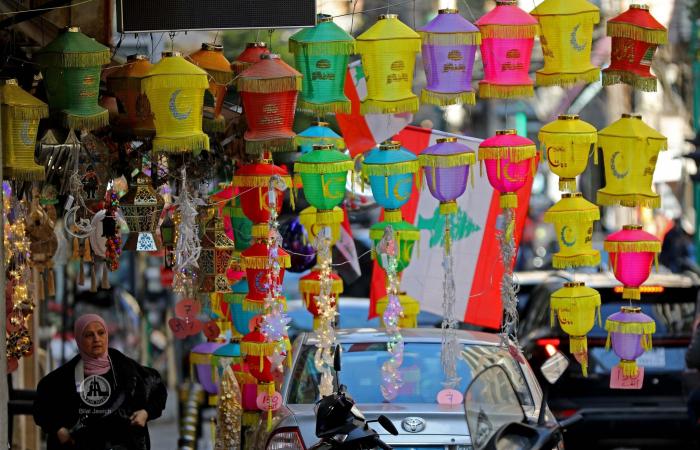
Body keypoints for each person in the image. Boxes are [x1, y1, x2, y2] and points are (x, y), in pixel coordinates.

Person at [33, 314, 167, 449]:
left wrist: (145, 413)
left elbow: (157, 388)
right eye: (89, 335)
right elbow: (42, 406)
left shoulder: (126, 369)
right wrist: (58, 429)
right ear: (79, 339)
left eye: (101, 333)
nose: (96, 339)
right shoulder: (64, 377)